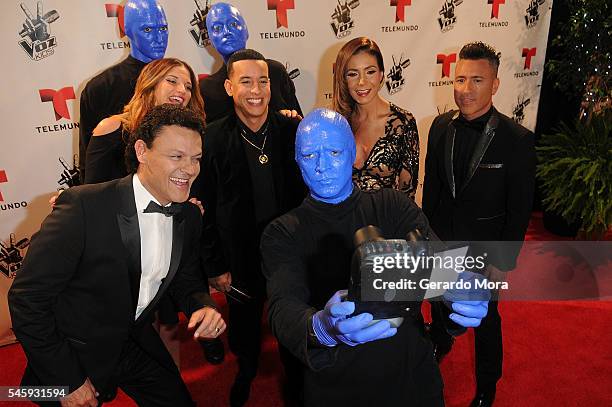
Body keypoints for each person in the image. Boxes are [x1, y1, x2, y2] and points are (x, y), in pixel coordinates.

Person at [260, 108, 490, 407]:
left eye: (333, 151)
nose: (322, 166)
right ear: (296, 161)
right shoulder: (282, 232)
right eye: (308, 156)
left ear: (355, 152)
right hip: (335, 386)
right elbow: (283, 307)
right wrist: (324, 328)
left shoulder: (392, 206)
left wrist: (461, 295)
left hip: (410, 377)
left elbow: (440, 265)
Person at [9, 104, 226, 407]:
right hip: (73, 351)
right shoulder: (83, 207)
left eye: (196, 158)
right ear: (142, 151)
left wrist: (201, 306)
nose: (189, 169)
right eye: (176, 156)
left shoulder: (189, 216)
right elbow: (26, 299)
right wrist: (68, 381)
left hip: (135, 342)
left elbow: (186, 280)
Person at [422, 42, 535, 407]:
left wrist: (503, 262)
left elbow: (520, 209)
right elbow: (433, 192)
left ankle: (488, 384)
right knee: (439, 301)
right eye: (459, 79)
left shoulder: (517, 140)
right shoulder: (439, 127)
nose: (465, 89)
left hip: (485, 251)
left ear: (495, 85)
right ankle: (440, 339)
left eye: (476, 80)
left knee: (486, 319)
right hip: (442, 240)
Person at [191, 49, 306, 406]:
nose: (256, 89)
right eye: (246, 81)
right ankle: (247, 369)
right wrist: (215, 267)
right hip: (239, 260)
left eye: (263, 81)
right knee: (244, 329)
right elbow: (203, 211)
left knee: (293, 322)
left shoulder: (292, 130)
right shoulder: (210, 140)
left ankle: (298, 381)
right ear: (228, 87)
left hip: (290, 255)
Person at [79, 0, 168, 182]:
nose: (159, 38)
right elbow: (88, 160)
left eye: (163, 29)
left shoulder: (181, 83)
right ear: (126, 30)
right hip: (120, 199)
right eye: (148, 30)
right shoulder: (101, 87)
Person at [84, 57, 204, 185]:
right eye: (172, 81)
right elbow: (91, 190)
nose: (182, 90)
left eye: (188, 87)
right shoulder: (112, 127)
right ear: (150, 83)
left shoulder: (190, 135)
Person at [333, 37, 419, 200]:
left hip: (387, 222)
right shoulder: (336, 123)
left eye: (370, 71)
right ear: (343, 79)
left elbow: (408, 195)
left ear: (381, 75)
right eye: (353, 74)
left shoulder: (403, 122)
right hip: (341, 221)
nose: (362, 82)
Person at [200, 2, 302, 123]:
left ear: (246, 31)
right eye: (217, 28)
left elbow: (301, 126)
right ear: (210, 39)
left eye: (233, 24)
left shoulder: (275, 72)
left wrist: (288, 121)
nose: (227, 32)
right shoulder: (205, 89)